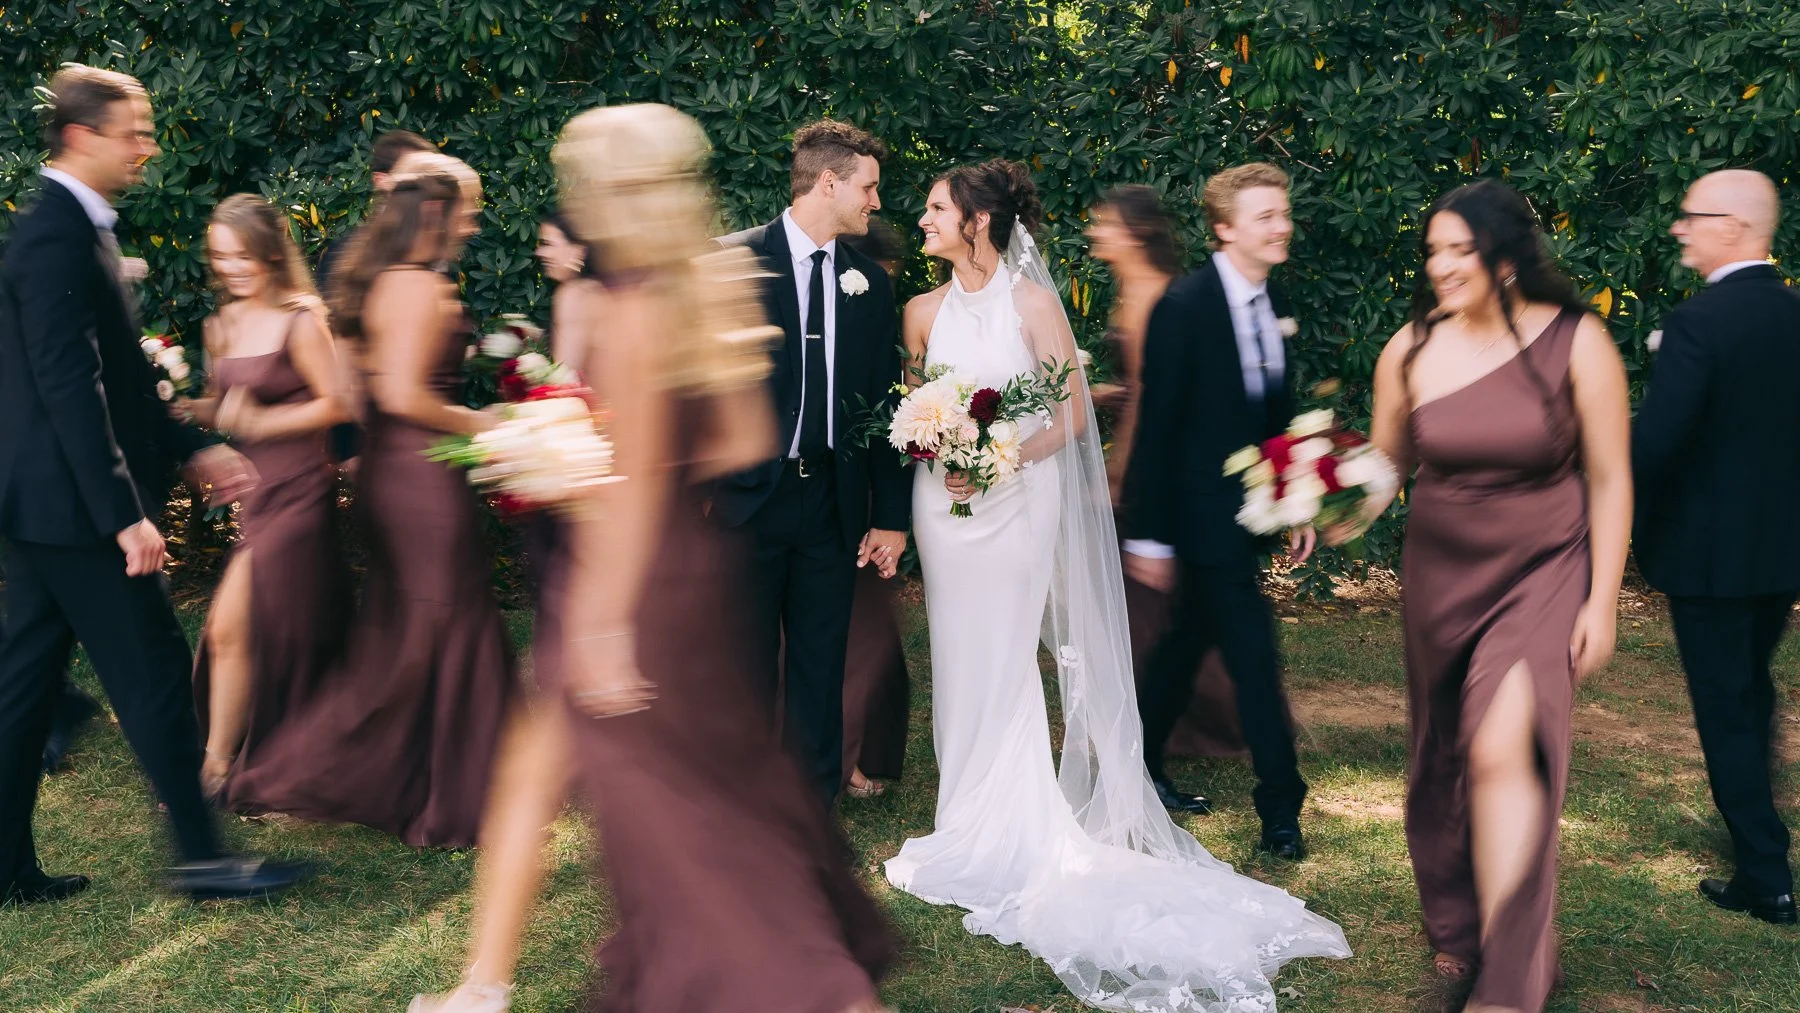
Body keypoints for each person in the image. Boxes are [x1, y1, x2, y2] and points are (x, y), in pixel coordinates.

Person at [885, 159, 1347, 1012]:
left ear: (979, 222)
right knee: (957, 649)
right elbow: (917, 408)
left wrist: (997, 458)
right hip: (943, 511)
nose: (923, 218)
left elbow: (1067, 416)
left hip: (1017, 501)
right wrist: (939, 454)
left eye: (937, 208)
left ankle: (1013, 812)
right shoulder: (918, 313)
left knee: (1009, 651)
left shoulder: (1032, 306)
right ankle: (964, 808)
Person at [466, 101, 892, 1013]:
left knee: (647, 809)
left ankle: (812, 984)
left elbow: (627, 491)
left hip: (634, 589)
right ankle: (481, 982)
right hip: (701, 571)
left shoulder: (628, 314)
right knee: (687, 793)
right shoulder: (714, 289)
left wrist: (606, 611)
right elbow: (741, 439)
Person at [0, 65, 309, 904]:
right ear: (80, 137)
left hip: (45, 508)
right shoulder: (56, 234)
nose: (148, 145)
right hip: (75, 513)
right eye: (133, 130)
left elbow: (122, 379)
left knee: (23, 689)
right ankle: (205, 861)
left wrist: (188, 448)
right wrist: (125, 515)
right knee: (155, 673)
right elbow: (71, 387)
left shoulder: (75, 225)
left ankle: (5, 865)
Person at [1343, 179, 1631, 1011]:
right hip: (1441, 576)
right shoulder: (1408, 348)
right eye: (1432, 249)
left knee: (1507, 747)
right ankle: (1461, 929)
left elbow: (1610, 478)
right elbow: (1387, 466)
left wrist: (1601, 598)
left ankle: (1511, 976)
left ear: (1506, 259)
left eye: (1458, 249)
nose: (1439, 265)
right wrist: (1325, 511)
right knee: (1446, 759)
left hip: (1544, 566)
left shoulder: (1579, 342)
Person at [233, 157, 516, 848]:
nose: (472, 224)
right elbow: (404, 395)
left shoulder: (374, 282)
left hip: (395, 470)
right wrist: (491, 424)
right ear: (432, 217)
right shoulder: (418, 286)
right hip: (421, 477)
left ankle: (450, 770)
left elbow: (361, 390)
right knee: (430, 629)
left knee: (410, 625)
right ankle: (362, 775)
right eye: (464, 213)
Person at [406, 209, 607, 1012]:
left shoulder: (607, 301)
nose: (540, 245)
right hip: (588, 539)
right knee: (531, 773)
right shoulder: (594, 300)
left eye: (553, 234)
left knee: (546, 774)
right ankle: (482, 983)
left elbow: (590, 408)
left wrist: (546, 442)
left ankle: (484, 985)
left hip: (611, 557)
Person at [714, 120, 912, 807]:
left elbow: (885, 409)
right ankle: (737, 810)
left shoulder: (868, 284)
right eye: (870, 187)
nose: (876, 203)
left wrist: (890, 514)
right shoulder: (728, 265)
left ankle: (809, 815)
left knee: (820, 666)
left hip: (831, 503)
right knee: (737, 667)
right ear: (829, 182)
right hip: (744, 502)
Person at [1121, 164, 1314, 851]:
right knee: (1255, 656)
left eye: (1283, 213)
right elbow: (1160, 424)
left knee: (1183, 646)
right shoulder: (1186, 305)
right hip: (1199, 517)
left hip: (1248, 513)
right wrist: (1148, 536)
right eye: (1265, 216)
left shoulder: (1272, 299)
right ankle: (1281, 808)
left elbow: (1275, 416)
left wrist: (1295, 501)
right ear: (1226, 229)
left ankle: (1136, 762)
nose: (1281, 225)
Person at [1633, 168, 1797, 926]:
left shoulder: (1699, 322)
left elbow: (1656, 444)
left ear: (1734, 225)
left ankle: (1765, 873)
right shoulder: (1792, 315)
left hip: (1707, 558)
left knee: (1726, 709)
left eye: (1692, 216)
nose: (1679, 227)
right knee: (1751, 692)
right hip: (1778, 552)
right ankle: (1763, 828)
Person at [1087, 184, 1275, 769]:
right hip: (1146, 456)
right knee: (1170, 610)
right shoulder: (1130, 289)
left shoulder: (1155, 300)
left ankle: (1186, 727)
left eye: (1104, 224)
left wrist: (1121, 477)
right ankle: (1187, 723)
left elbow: (1154, 402)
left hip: (1154, 471)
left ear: (1136, 233)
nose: (1094, 232)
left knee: (1157, 610)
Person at [174, 194, 352, 804]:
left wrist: (263, 423)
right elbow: (221, 404)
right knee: (259, 628)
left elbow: (337, 405)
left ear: (271, 252)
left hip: (300, 487)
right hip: (254, 496)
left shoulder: (302, 320)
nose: (231, 268)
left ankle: (218, 769)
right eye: (221, 257)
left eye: (243, 255)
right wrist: (182, 408)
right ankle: (242, 750)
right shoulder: (218, 326)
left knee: (227, 626)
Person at [837, 216, 911, 798]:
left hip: (867, 484)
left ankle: (857, 754)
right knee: (859, 636)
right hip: (840, 487)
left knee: (869, 634)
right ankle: (845, 759)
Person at [316, 130, 436, 467]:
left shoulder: (435, 255)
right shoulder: (344, 257)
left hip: (426, 436)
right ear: (381, 181)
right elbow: (336, 353)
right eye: (413, 179)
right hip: (364, 444)